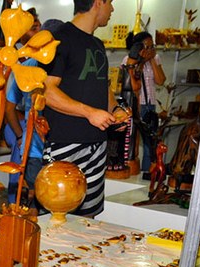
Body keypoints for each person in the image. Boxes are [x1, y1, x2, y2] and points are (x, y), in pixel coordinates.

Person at [41, 0, 121, 218]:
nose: (112, 9)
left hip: (97, 143)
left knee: (88, 218)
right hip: (64, 144)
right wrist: (89, 112)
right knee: (56, 216)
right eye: (110, 2)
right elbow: (46, 91)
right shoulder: (58, 39)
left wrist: (116, 109)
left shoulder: (97, 44)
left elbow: (103, 87)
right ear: (98, 3)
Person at [4, 17, 63, 210]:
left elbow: (9, 107)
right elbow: (9, 108)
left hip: (37, 149)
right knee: (49, 204)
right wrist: (20, 136)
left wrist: (20, 137)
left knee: (40, 204)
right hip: (50, 148)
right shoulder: (34, 67)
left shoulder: (27, 66)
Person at [3, 8, 41, 204]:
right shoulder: (16, 59)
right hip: (19, 125)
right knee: (19, 166)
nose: (38, 32)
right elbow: (8, 106)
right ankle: (14, 205)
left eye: (39, 27)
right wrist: (21, 134)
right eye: (33, 28)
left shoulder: (41, 61)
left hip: (34, 126)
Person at [122, 31, 166, 175]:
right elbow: (130, 82)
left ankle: (148, 172)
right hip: (136, 105)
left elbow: (160, 80)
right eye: (147, 47)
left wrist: (152, 60)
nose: (150, 50)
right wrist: (140, 61)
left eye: (152, 46)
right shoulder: (129, 59)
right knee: (133, 141)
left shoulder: (156, 59)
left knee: (150, 142)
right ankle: (133, 172)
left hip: (150, 104)